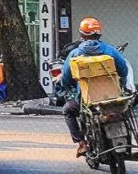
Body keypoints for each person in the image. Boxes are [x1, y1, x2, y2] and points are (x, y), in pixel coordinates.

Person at [54, 17, 131, 155]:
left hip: (86, 100)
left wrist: (68, 86)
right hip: (112, 97)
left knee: (68, 110)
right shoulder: (111, 50)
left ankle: (81, 143)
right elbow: (123, 71)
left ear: (82, 35)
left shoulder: (75, 53)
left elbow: (66, 78)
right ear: (99, 34)